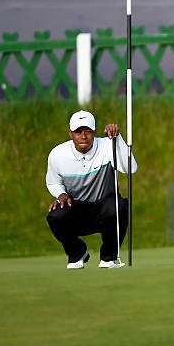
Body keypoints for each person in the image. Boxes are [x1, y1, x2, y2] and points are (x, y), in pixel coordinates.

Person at [46, 110, 137, 269]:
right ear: (70, 133)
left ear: (94, 131)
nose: (83, 136)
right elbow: (53, 182)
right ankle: (77, 254)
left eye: (88, 131)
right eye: (78, 131)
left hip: (105, 208)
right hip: (77, 209)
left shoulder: (108, 145)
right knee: (56, 215)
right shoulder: (57, 155)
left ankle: (109, 257)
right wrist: (61, 194)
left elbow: (130, 169)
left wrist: (117, 139)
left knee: (119, 206)